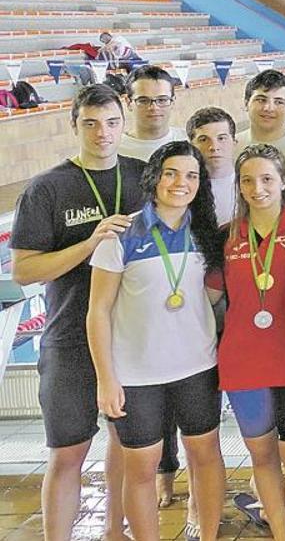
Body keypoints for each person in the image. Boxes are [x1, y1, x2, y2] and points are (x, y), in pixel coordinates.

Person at [11, 84, 144, 541]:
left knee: (128, 446)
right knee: (68, 451)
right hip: (69, 336)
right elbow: (25, 269)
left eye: (110, 122)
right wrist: (89, 244)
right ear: (74, 126)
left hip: (131, 336)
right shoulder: (47, 188)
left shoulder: (144, 177)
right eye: (90, 123)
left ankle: (114, 530)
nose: (102, 133)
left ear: (123, 124)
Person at [85, 141, 226, 541]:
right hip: (136, 374)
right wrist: (105, 378)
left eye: (191, 176)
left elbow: (211, 295)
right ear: (154, 178)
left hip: (197, 367)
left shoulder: (205, 234)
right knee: (141, 468)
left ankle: (210, 535)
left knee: (206, 457)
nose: (181, 183)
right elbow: (97, 311)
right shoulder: (123, 233)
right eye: (171, 173)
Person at [205, 143, 285, 541]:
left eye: (267, 179)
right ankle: (279, 531)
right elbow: (209, 298)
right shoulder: (225, 237)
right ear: (238, 187)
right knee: (262, 457)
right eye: (247, 181)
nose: (257, 188)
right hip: (243, 366)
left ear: (283, 181)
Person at [118, 65, 186, 161]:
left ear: (173, 101)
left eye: (162, 100)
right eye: (143, 100)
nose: (154, 107)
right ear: (128, 102)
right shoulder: (115, 149)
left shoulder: (189, 141)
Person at [187, 107, 241, 225]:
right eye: (204, 139)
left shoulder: (253, 183)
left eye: (221, 138)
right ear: (192, 147)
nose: (214, 147)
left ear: (234, 143)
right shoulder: (184, 189)